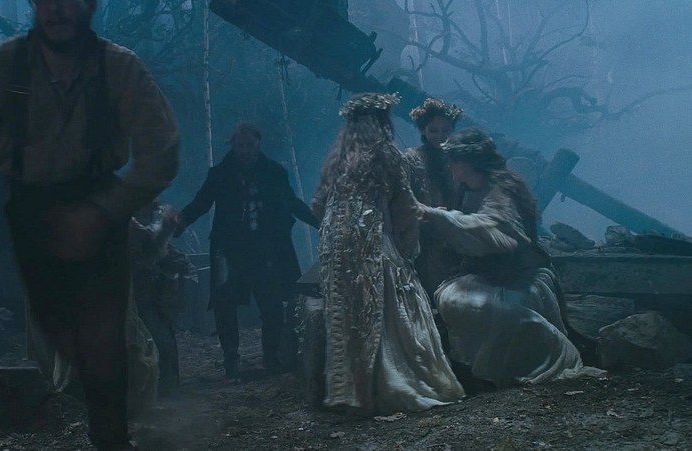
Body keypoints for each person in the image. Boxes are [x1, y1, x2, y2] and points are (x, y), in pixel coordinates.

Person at [0, 0, 180, 448]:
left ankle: (111, 435)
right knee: (57, 335)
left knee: (105, 339)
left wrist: (104, 211)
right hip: (31, 212)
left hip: (100, 208)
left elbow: (162, 148)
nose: (56, 10)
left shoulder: (119, 68)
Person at [311, 93, 464, 415]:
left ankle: (355, 390)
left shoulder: (338, 156)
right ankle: (390, 383)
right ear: (382, 122)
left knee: (348, 309)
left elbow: (317, 206)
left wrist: (337, 231)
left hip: (336, 245)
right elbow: (406, 206)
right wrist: (406, 245)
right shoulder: (385, 152)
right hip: (372, 237)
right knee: (389, 302)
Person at [420, 128, 587, 390]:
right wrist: (445, 217)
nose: (450, 166)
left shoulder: (502, 189)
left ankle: (546, 351)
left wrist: (444, 218)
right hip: (485, 273)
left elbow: (494, 228)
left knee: (492, 309)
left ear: (469, 162)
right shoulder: (466, 188)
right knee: (450, 299)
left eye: (454, 161)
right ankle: (477, 366)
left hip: (517, 274)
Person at [174, 122, 318, 379]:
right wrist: (180, 221)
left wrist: (318, 222)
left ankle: (271, 359)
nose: (245, 151)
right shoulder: (220, 174)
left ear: (258, 144)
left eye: (250, 145)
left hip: (265, 251)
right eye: (241, 145)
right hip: (229, 251)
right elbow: (201, 202)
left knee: (272, 305)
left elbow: (291, 202)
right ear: (233, 145)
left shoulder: (274, 172)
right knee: (224, 306)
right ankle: (231, 361)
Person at [130, 201, 192, 396]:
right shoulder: (128, 227)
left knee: (161, 338)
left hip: (151, 297)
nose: (144, 218)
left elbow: (174, 257)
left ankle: (167, 385)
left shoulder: (142, 229)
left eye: (146, 214)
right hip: (132, 297)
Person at [405, 98, 464, 297]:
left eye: (445, 130)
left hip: (457, 231)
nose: (440, 136)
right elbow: (403, 197)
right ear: (423, 130)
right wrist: (427, 213)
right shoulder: (411, 159)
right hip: (425, 236)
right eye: (433, 130)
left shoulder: (460, 158)